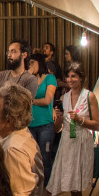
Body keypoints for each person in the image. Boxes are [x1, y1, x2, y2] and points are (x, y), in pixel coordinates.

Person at [38, 63, 99, 196]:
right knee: (53, 186)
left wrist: (80, 120)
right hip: (66, 143)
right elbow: (59, 128)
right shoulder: (64, 97)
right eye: (68, 77)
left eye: (74, 76)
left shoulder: (89, 96)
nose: (70, 80)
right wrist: (56, 118)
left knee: (75, 188)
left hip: (81, 143)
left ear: (81, 78)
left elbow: (97, 125)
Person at [27, 52, 59, 184]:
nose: (30, 66)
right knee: (31, 158)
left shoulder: (50, 78)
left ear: (39, 63)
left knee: (45, 157)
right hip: (29, 124)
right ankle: (34, 187)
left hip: (45, 124)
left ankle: (46, 188)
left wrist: (31, 101)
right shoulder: (29, 80)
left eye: (32, 63)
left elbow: (47, 100)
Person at [0, 39, 38, 110]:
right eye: (8, 52)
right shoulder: (1, 75)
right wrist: (13, 100)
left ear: (24, 55)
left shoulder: (30, 79)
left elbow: (24, 105)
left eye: (13, 51)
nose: (9, 55)